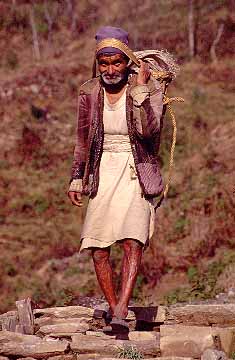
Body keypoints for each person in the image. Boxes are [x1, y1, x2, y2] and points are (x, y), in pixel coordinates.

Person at [68, 26, 164, 330]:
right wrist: (75, 177)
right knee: (97, 245)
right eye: (104, 63)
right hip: (101, 169)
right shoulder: (89, 93)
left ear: (127, 62)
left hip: (135, 168)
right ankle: (113, 308)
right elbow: (83, 138)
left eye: (117, 62)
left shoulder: (148, 89)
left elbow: (150, 131)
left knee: (133, 240)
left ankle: (122, 307)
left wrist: (141, 91)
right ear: (98, 64)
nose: (110, 70)